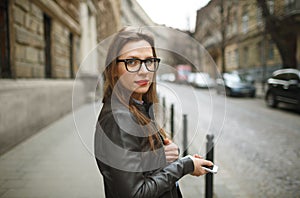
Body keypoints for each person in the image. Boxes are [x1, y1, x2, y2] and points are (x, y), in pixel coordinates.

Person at [94, 27, 213, 198]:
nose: (144, 70)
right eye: (132, 62)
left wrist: (159, 156)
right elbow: (135, 193)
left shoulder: (137, 105)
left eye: (149, 61)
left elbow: (136, 168)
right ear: (113, 69)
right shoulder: (119, 119)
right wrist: (184, 166)